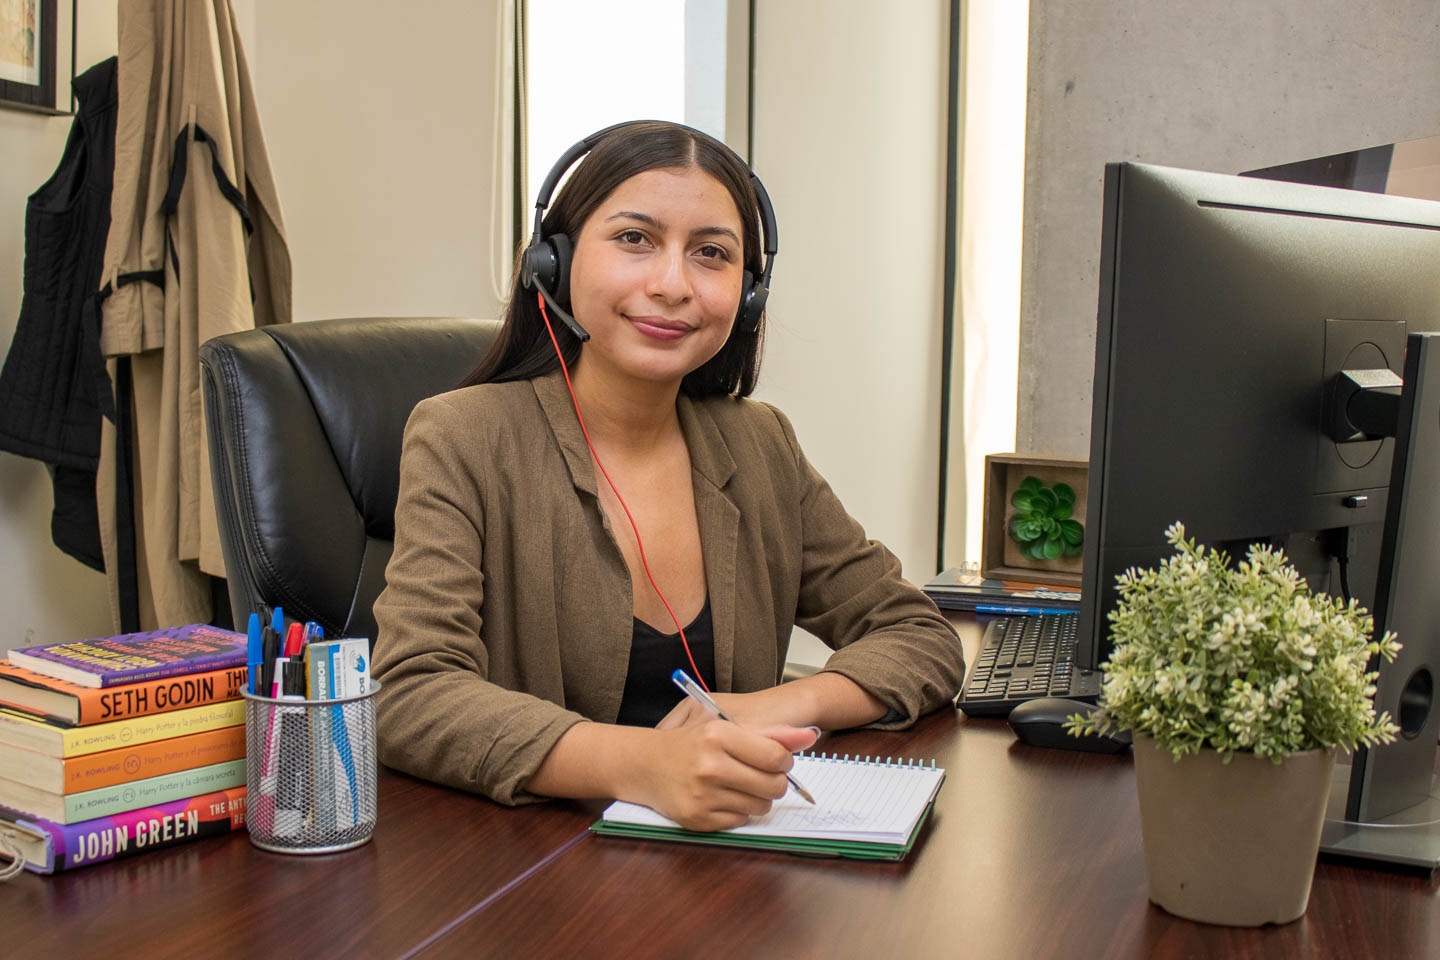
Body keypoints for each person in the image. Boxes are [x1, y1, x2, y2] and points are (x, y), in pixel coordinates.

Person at [372, 121, 965, 831]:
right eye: (634, 239)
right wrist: (641, 765)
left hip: (732, 869)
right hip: (531, 872)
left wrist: (788, 701)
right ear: (552, 264)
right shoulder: (464, 437)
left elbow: (918, 634)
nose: (672, 283)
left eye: (711, 254)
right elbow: (409, 692)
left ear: (748, 293)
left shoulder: (759, 443)